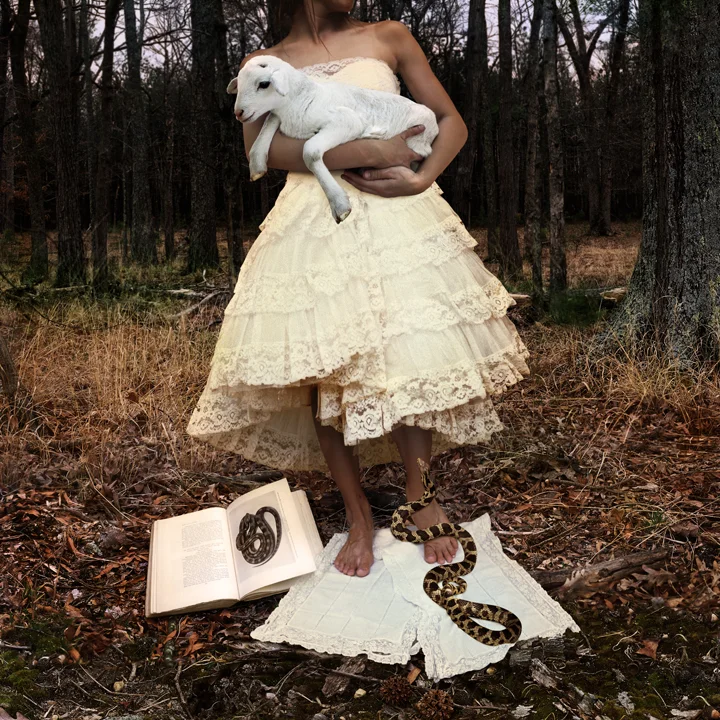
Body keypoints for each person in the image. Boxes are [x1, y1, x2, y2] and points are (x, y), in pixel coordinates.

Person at [187, 0, 530, 579]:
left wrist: (419, 177)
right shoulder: (264, 63)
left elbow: (451, 122)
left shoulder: (388, 36)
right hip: (311, 220)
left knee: (408, 353)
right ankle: (358, 513)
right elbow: (264, 151)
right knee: (323, 366)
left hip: (398, 215)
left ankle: (421, 498)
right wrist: (373, 150)